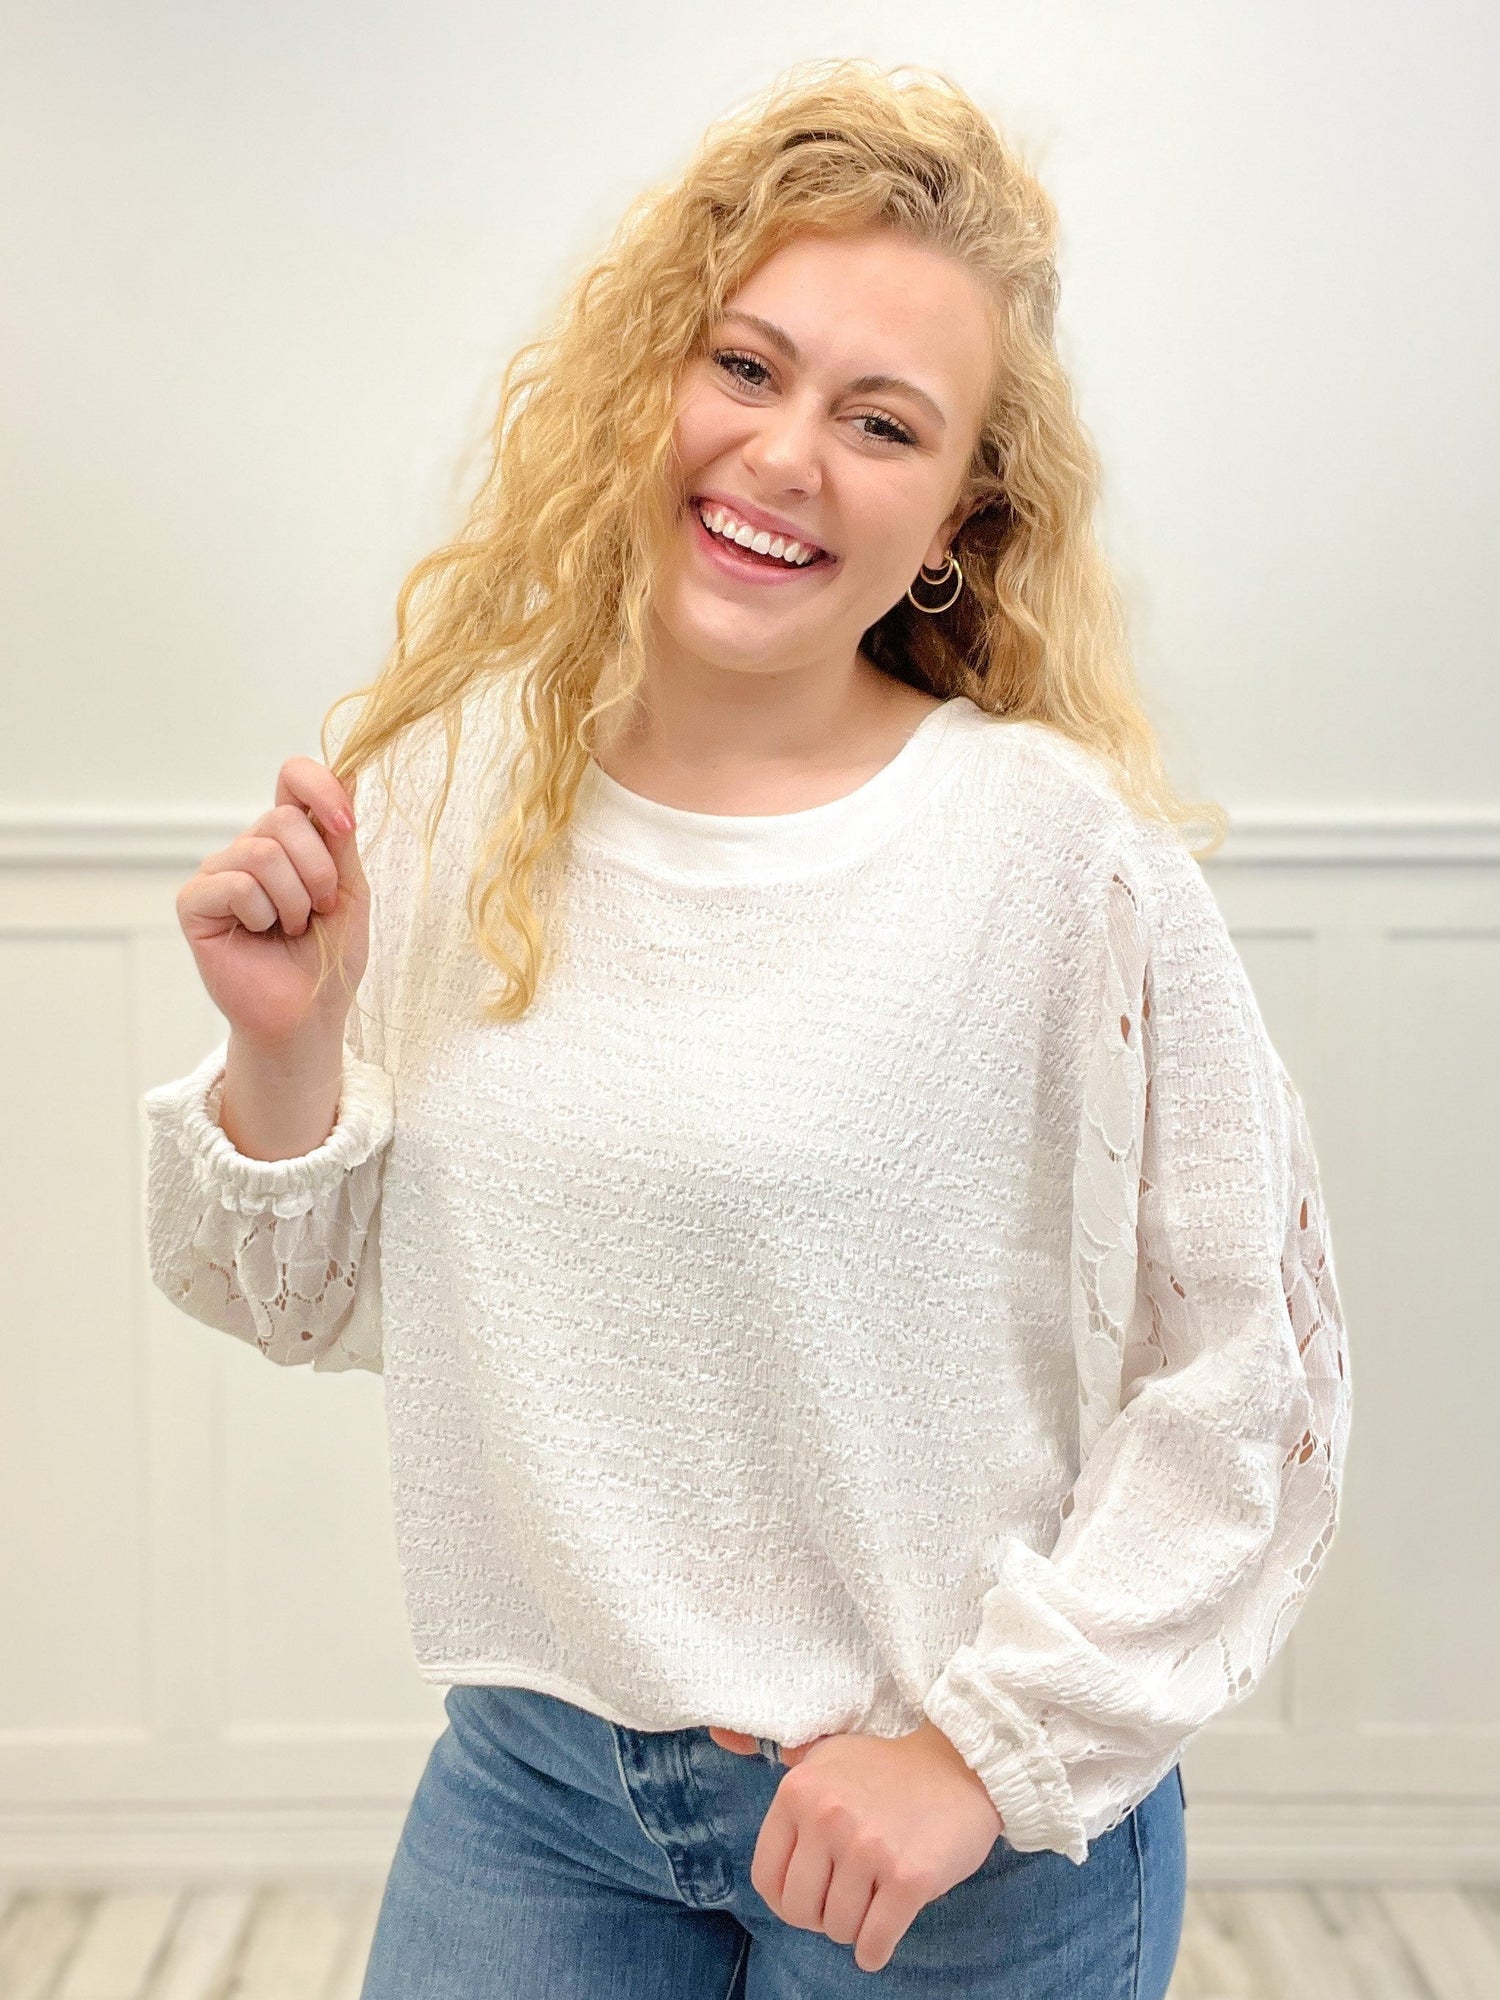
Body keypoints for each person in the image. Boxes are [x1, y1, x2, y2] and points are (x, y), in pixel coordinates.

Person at [140, 58, 1352, 2000]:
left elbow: (1252, 1380)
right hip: (540, 1794)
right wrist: (284, 1048)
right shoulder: (451, 794)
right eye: (746, 366)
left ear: (959, 514)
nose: (786, 455)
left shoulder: (1061, 862)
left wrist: (979, 1756)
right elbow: (307, 1304)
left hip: (953, 1849)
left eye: (882, 421)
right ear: (652, 385)